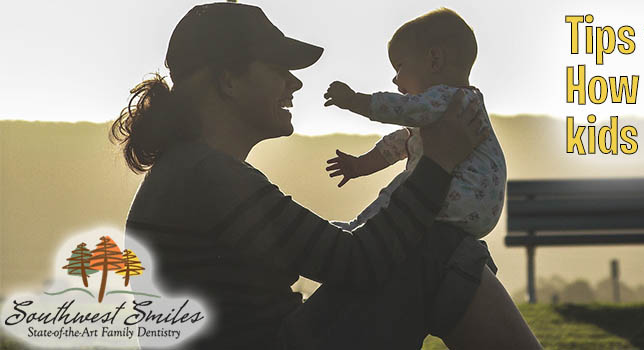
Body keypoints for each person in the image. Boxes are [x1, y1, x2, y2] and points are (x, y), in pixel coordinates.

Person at [109, 2, 541, 349]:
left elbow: (329, 255)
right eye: (278, 68)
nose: (294, 84)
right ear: (229, 81)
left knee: (433, 247)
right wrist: (440, 163)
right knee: (439, 249)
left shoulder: (190, 172)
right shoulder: (208, 177)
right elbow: (356, 263)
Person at [323, 8, 506, 242]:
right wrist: (360, 165)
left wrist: (354, 100)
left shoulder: (449, 98)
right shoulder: (458, 106)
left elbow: (402, 109)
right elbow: (401, 143)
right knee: (408, 187)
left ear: (434, 60)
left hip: (459, 196)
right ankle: (359, 229)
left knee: (402, 190)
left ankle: (359, 231)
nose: (395, 79)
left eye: (399, 67)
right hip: (477, 209)